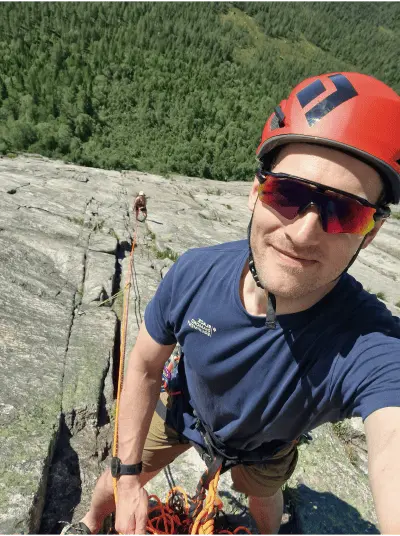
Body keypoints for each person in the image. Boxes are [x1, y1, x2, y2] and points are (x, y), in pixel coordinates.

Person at [63, 72, 400, 536]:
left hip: (266, 450)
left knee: (263, 499)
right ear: (255, 190)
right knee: (117, 481)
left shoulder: (371, 343)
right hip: (185, 411)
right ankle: (86, 522)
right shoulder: (194, 274)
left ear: (372, 230)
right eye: (288, 192)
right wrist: (126, 479)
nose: (303, 233)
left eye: (345, 211)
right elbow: (142, 367)